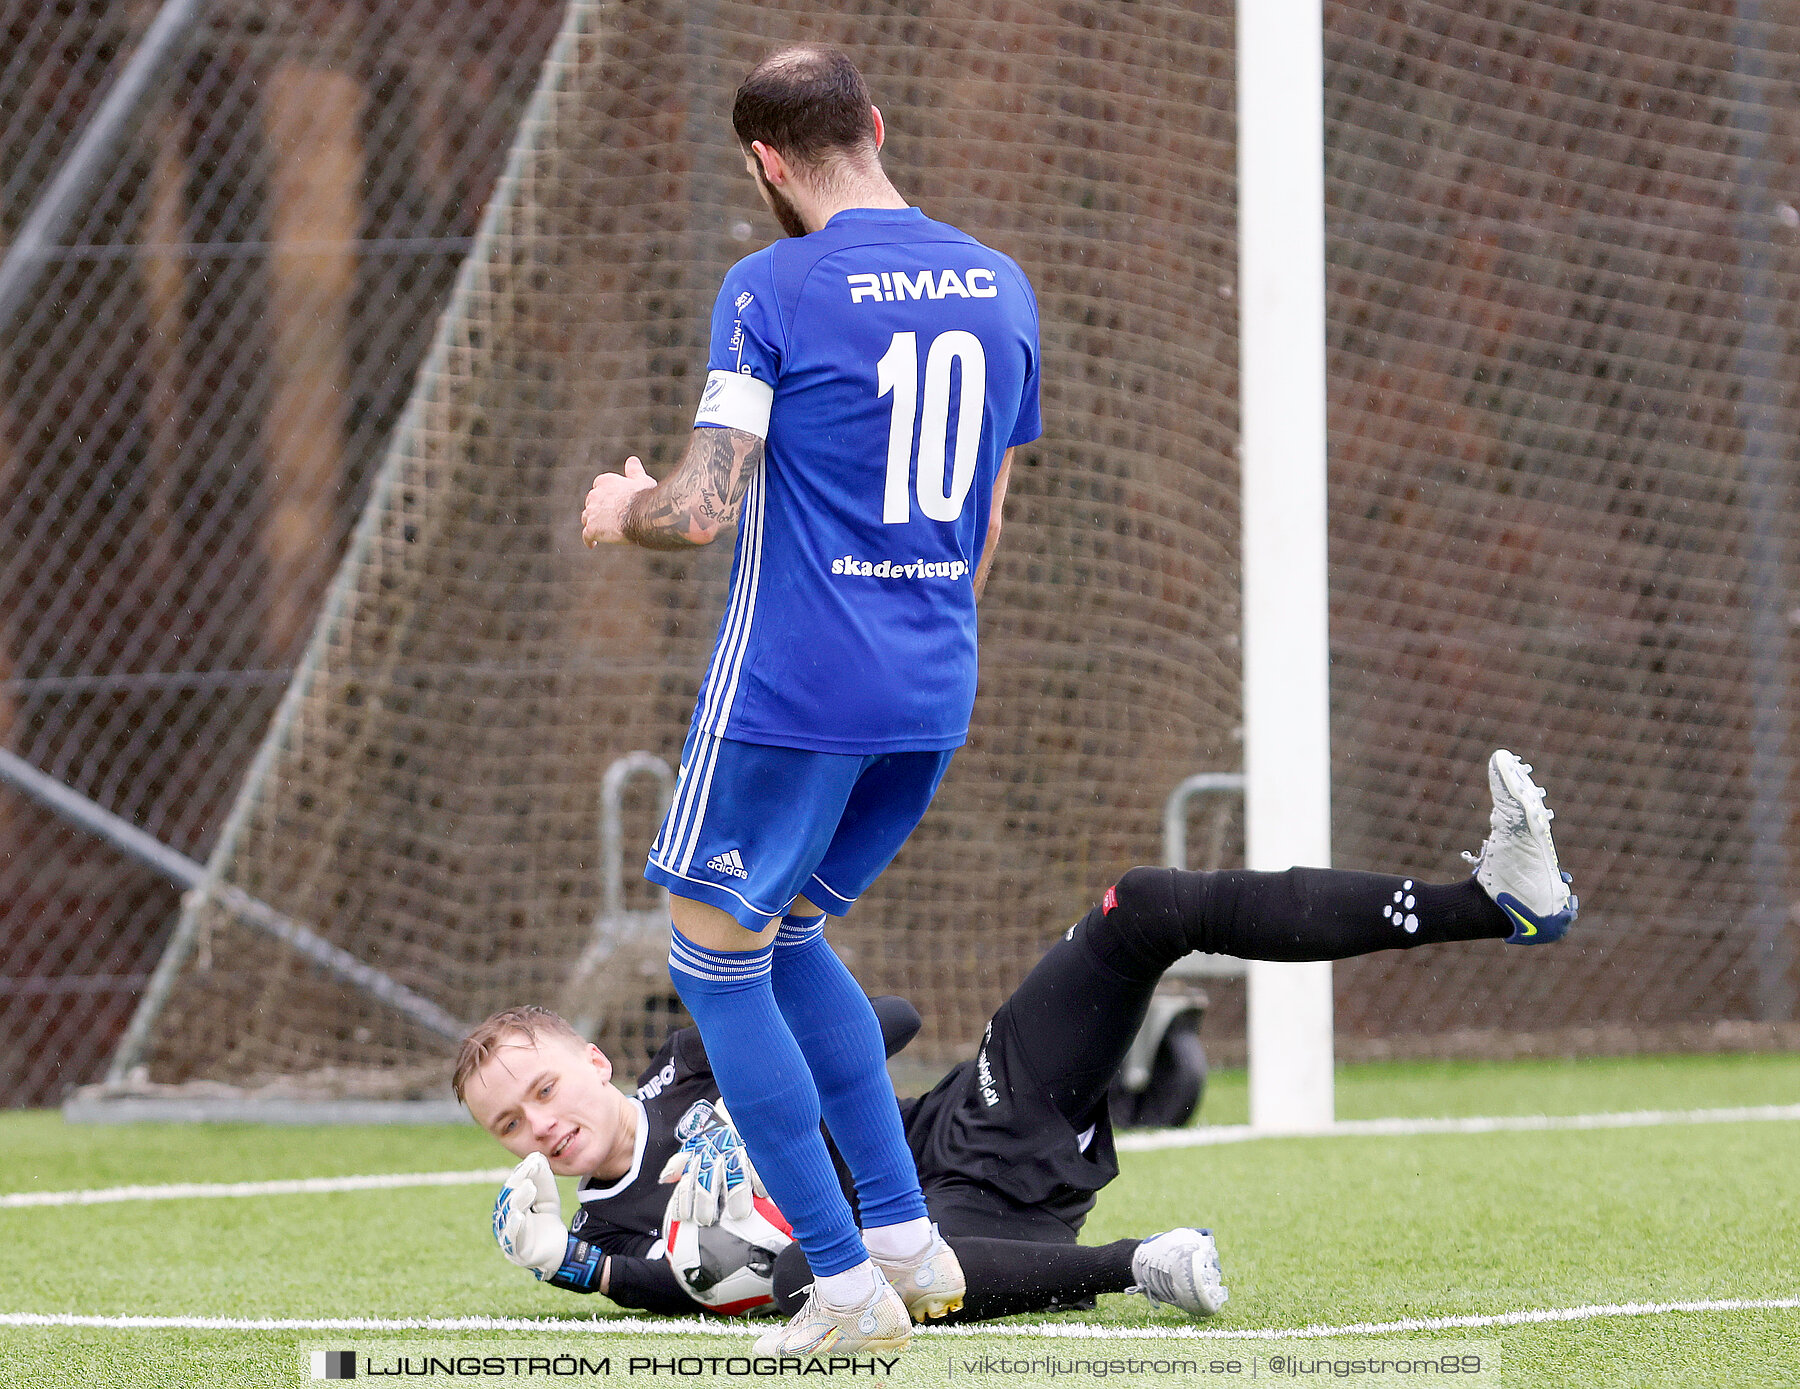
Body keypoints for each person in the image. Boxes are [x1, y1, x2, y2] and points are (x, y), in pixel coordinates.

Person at [458, 750, 1577, 1328]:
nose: (541, 1126)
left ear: (591, 1058)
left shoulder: (697, 1048)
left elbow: (886, 1025)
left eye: (542, 1089)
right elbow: (667, 1286)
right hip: (942, 1233)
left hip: (966, 1132)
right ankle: (1137, 1267)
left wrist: (762, 1109)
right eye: (510, 1125)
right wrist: (570, 1264)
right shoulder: (613, 1232)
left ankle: (1494, 900)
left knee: (1141, 906)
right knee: (814, 1271)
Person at [577, 44, 1041, 1353]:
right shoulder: (999, 286)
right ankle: (904, 1236)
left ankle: (843, 1287)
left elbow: (706, 506)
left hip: (793, 684)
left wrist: (626, 509)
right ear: (877, 126)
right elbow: (987, 514)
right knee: (784, 941)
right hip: (933, 677)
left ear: (765, 163)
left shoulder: (768, 283)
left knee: (715, 967)